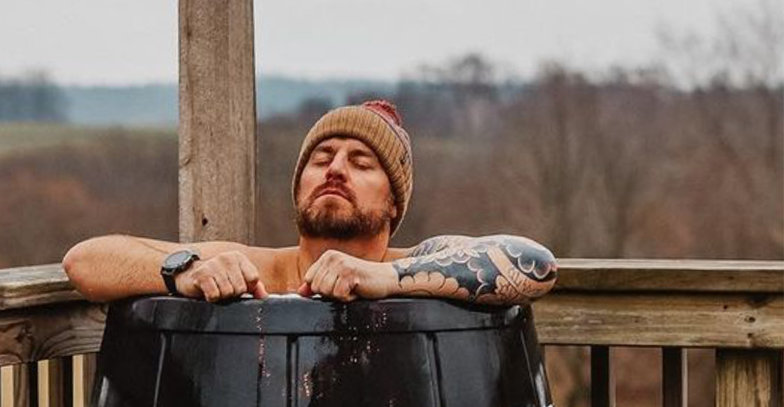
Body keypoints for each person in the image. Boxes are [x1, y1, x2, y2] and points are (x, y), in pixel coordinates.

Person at [63, 100, 557, 305]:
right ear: (300, 186)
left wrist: (383, 278)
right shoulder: (253, 269)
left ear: (393, 205)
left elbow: (535, 265)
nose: (336, 168)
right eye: (321, 158)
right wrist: (185, 271)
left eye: (362, 164)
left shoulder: (420, 265)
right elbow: (85, 260)